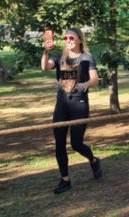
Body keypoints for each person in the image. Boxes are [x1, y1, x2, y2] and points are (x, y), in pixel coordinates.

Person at [41, 28, 103, 194]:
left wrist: (87, 83)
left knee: (76, 144)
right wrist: (46, 52)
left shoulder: (86, 58)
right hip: (61, 105)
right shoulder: (59, 57)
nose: (68, 40)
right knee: (59, 143)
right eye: (66, 38)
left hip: (79, 104)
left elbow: (95, 79)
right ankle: (65, 180)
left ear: (80, 41)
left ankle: (93, 160)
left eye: (72, 38)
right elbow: (45, 67)